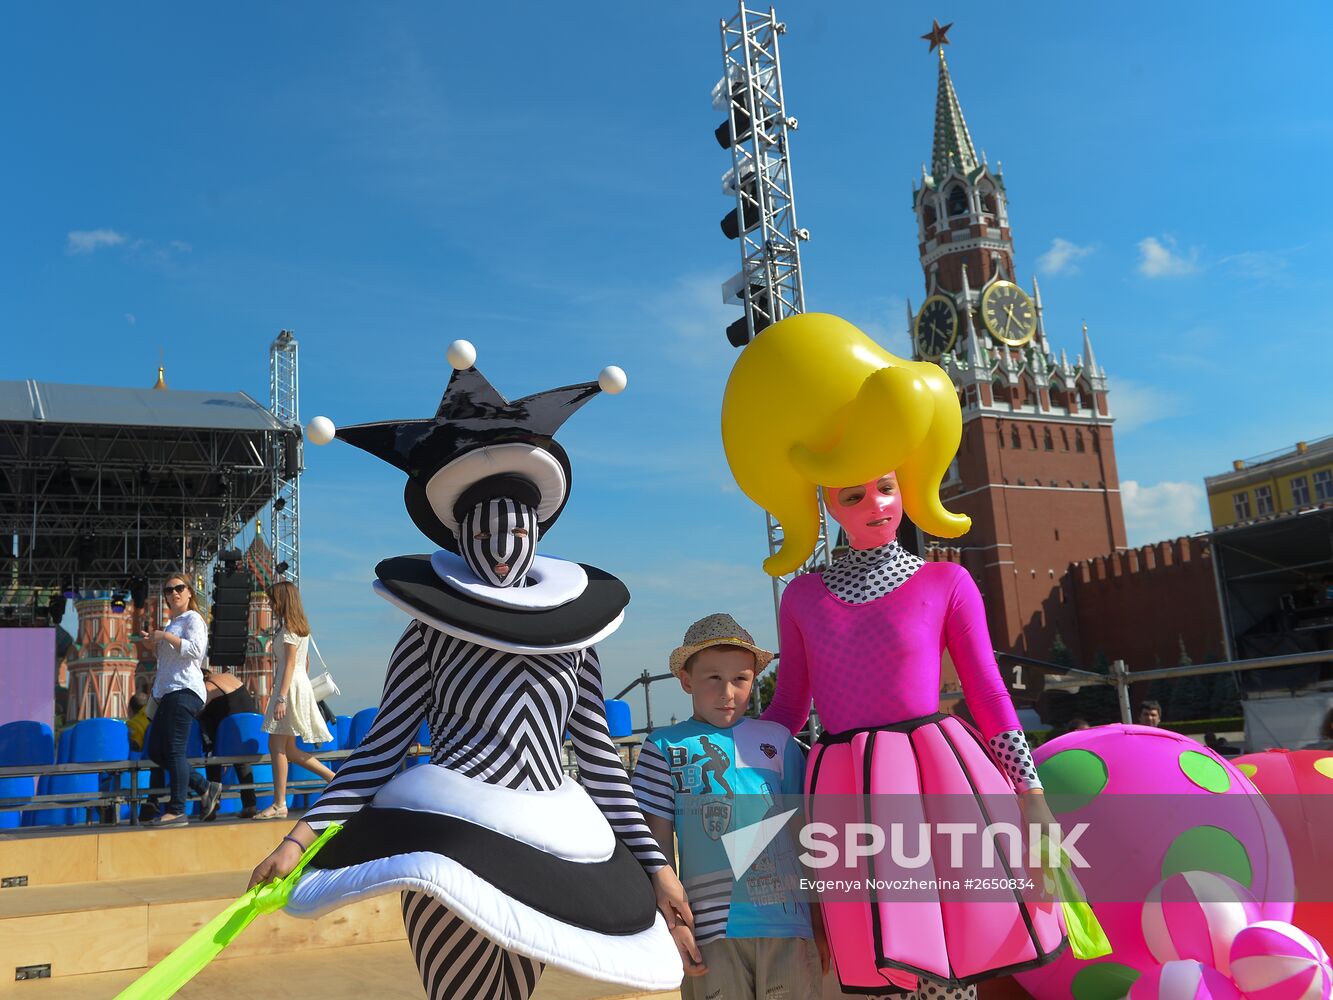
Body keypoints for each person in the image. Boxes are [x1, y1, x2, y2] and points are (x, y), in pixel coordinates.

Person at [246, 342, 684, 999]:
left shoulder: (575, 637)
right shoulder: (428, 635)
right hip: (450, 844)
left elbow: (598, 759)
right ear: (458, 535)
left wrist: (656, 868)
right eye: (483, 535)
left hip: (541, 852)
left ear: (538, 529)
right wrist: (299, 838)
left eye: (515, 531)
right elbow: (379, 750)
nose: (502, 551)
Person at [721, 314, 1064, 998]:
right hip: (844, 788)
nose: (876, 504)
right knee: (876, 959)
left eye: (885, 485)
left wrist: (1029, 794)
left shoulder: (947, 582)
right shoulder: (803, 598)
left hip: (938, 780)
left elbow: (989, 693)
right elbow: (789, 705)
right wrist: (731, 764)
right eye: (854, 494)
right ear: (826, 503)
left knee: (953, 955)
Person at [631, 613, 825, 1000]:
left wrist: (820, 923)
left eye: (740, 678)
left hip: (787, 927)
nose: (728, 693)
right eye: (713, 678)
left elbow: (806, 838)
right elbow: (654, 847)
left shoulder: (779, 741)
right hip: (708, 931)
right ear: (686, 680)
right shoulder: (662, 747)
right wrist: (675, 926)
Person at [138, 572, 221, 826]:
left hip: (185, 691)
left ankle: (177, 810)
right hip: (167, 693)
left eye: (179, 588)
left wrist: (165, 637)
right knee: (156, 750)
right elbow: (169, 661)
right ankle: (204, 786)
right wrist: (154, 645)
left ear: (189, 593)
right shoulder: (171, 623)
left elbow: (196, 650)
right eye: (168, 590)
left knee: (173, 750)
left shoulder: (193, 618)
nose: (173, 593)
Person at [253, 581, 335, 820]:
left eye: (273, 600)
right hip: (297, 684)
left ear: (282, 600)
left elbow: (289, 663)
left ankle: (279, 803)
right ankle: (334, 779)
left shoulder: (288, 628)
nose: (270, 604)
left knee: (276, 747)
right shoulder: (301, 627)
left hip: (288, 687)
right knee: (288, 748)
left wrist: (281, 697)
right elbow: (304, 663)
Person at [200, 667, 261, 819]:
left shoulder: (207, 687)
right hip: (251, 734)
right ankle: (250, 805)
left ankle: (213, 802)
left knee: (212, 757)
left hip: (232, 735)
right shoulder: (229, 677)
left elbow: (199, 707)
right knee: (241, 760)